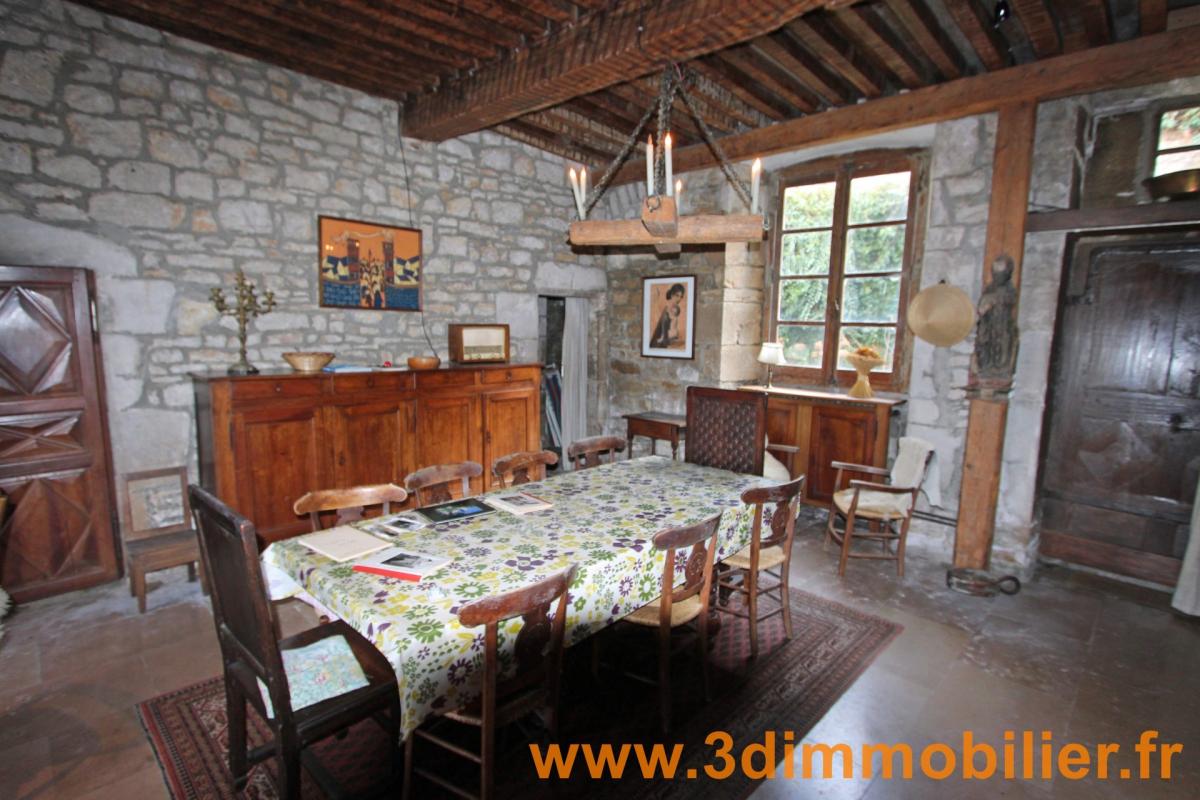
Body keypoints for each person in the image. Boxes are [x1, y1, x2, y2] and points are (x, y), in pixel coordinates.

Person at [650, 282, 686, 348]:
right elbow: (664, 337)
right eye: (677, 295)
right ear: (672, 295)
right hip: (658, 346)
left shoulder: (673, 309)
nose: (679, 299)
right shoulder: (667, 312)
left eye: (681, 296)